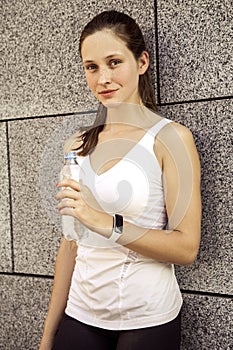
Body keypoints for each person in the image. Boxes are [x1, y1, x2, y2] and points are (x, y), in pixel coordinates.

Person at [39, 10, 201, 350]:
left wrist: (102, 221)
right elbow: (70, 244)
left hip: (147, 319)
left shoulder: (170, 138)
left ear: (141, 62)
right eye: (92, 67)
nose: (103, 79)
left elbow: (186, 248)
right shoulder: (77, 146)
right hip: (80, 314)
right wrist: (48, 335)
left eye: (114, 62)